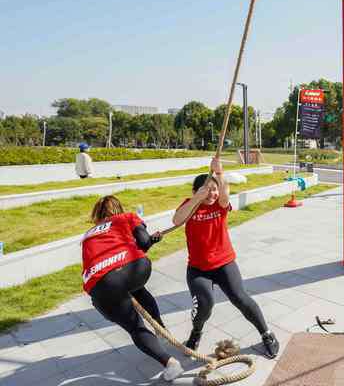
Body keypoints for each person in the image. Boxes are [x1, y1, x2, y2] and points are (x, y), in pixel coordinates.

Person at [173, 157, 280, 358]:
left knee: (240, 298)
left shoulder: (220, 205)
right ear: (196, 191)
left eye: (214, 189)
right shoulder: (191, 205)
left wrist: (219, 174)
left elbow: (224, 196)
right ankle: (196, 333)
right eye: (207, 189)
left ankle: (266, 334)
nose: (212, 193)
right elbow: (177, 220)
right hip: (198, 268)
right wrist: (197, 198)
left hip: (224, 263)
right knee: (204, 304)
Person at [81, 195, 183, 381]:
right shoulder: (126, 217)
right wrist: (151, 240)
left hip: (101, 285)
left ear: (97, 214)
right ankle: (161, 328)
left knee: (135, 327)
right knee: (137, 288)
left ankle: (170, 363)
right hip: (134, 270)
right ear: (118, 209)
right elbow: (143, 242)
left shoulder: (88, 234)